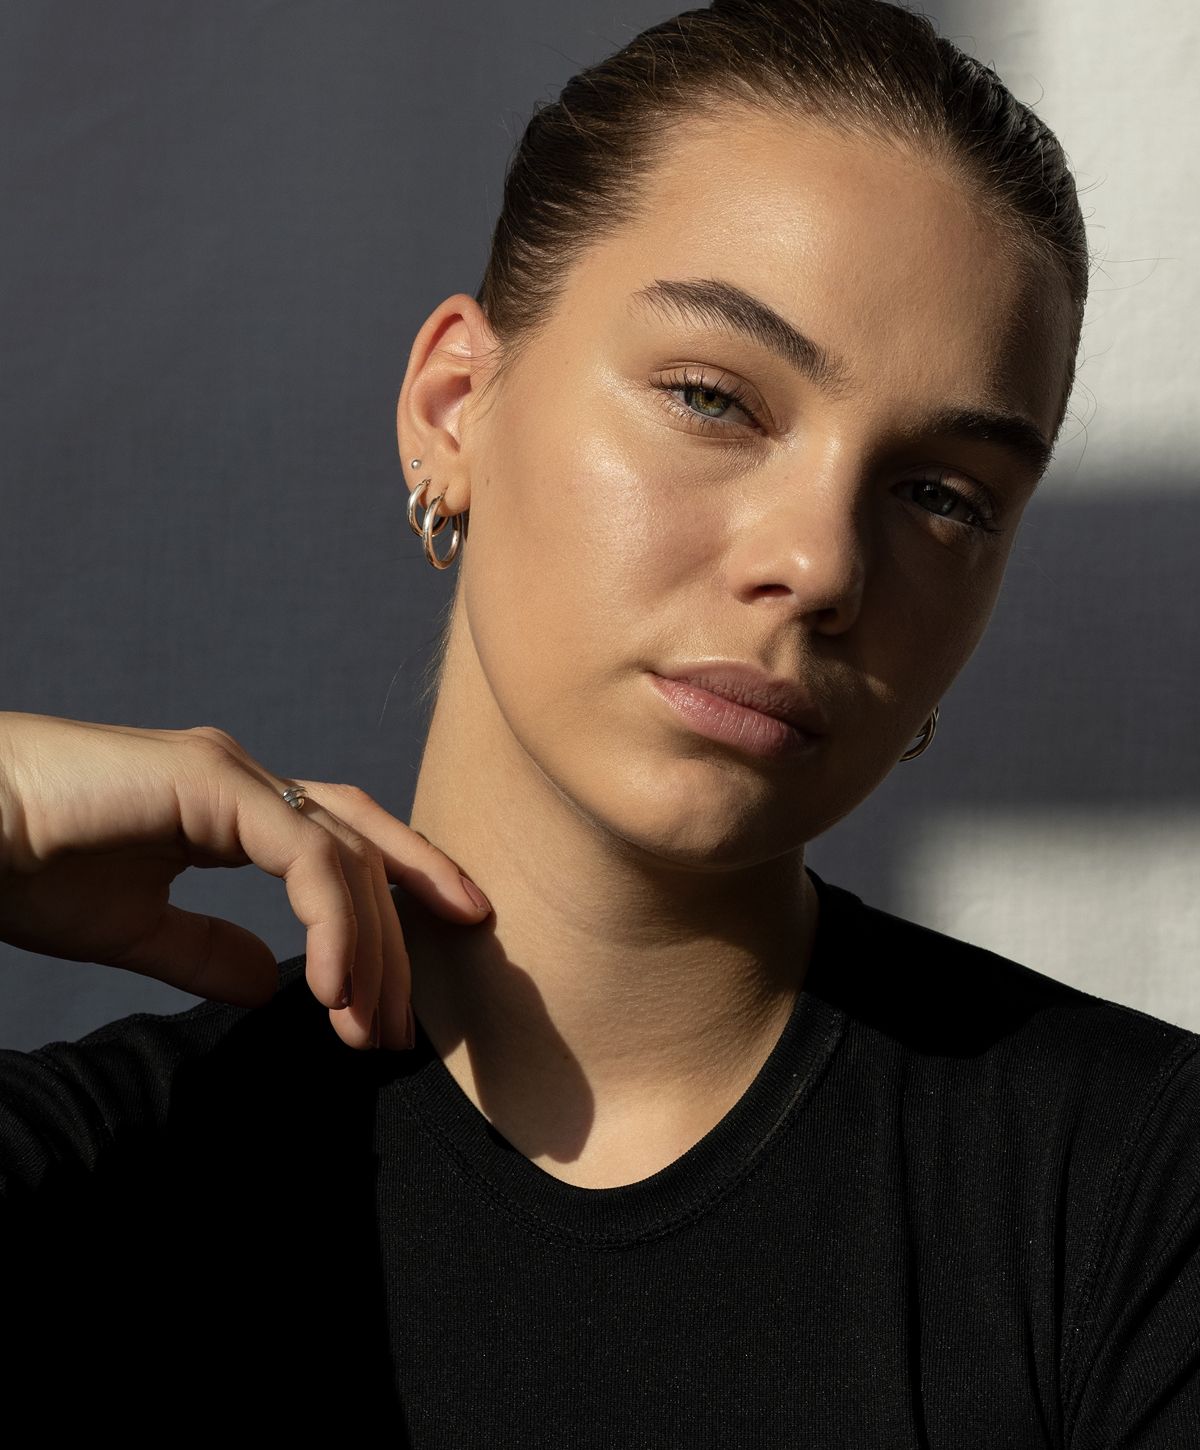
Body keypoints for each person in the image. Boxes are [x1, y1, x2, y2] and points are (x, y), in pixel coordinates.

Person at [1, 0, 1196, 1441]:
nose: (820, 565)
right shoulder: (97, 1177)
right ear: (456, 406)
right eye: (712, 397)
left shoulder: (1133, 1198)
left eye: (944, 495)